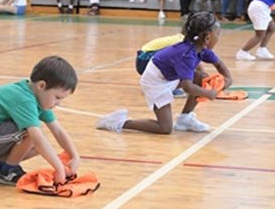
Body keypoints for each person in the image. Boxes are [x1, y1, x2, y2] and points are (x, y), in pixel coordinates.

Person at [97, 12, 232, 134]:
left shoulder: (201, 48)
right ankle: (119, 123)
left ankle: (184, 118)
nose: (219, 37)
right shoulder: (186, 55)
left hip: (169, 78)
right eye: (218, 34)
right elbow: (187, 87)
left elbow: (219, 64)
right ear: (207, 38)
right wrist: (209, 93)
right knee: (165, 128)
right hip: (155, 82)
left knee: (202, 77)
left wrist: (228, 79)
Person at [0, 56, 80, 185]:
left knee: (40, 145)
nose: (58, 103)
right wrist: (59, 168)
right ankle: (8, 171)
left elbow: (58, 131)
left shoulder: (37, 96)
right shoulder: (24, 99)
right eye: (57, 97)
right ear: (41, 86)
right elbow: (36, 138)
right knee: (33, 134)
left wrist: (74, 155)